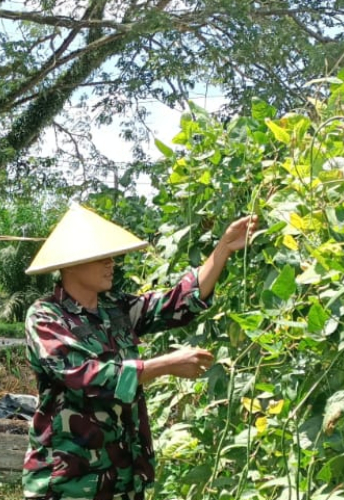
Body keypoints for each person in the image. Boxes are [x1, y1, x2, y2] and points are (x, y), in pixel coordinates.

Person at [22, 204, 257, 500]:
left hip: (123, 476)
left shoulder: (115, 308)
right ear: (70, 264)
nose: (111, 264)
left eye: (111, 257)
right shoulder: (46, 317)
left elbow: (176, 304)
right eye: (101, 258)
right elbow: (87, 377)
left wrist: (224, 247)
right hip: (68, 481)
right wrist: (166, 365)